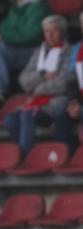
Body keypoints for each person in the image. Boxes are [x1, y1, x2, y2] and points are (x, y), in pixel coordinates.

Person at [4, 15, 72, 156]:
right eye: (46, 31)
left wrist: (38, 88)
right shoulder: (38, 52)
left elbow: (64, 82)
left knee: (28, 114)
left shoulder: (70, 51)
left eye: (54, 31)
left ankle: (26, 156)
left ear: (63, 32)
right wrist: (42, 74)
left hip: (58, 101)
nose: (50, 35)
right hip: (38, 103)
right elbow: (23, 80)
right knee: (10, 120)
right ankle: (35, 153)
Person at [0, 0, 52, 101]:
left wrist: (2, 36)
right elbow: (3, 28)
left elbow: (30, 36)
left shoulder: (39, 8)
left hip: (33, 51)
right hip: (15, 47)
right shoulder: (16, 8)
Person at [50, 11, 83, 153]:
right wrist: (74, 101)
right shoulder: (78, 49)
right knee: (59, 106)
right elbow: (72, 78)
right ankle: (65, 153)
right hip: (80, 96)